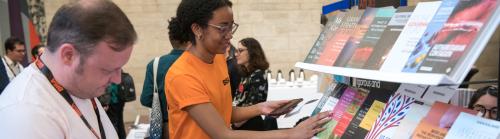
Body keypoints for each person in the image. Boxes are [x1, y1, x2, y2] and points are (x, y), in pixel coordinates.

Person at [164, 0, 330, 139]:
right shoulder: (182, 75)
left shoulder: (219, 59)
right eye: (222, 28)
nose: (230, 35)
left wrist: (261, 108)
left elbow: (224, 113)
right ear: (197, 29)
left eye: (231, 27)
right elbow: (223, 134)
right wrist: (290, 134)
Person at [0, 0, 137, 138]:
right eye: (107, 70)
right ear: (68, 55)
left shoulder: (78, 86)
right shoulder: (27, 115)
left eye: (120, 68)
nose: (118, 80)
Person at [140, 17, 190, 139]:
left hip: (167, 128)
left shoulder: (155, 64)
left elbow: (145, 99)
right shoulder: (198, 63)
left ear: (170, 39)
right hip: (195, 126)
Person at [232, 37, 276, 131]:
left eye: (240, 50)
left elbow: (252, 106)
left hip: (249, 125)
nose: (236, 54)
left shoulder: (258, 75)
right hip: (240, 122)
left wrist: (235, 125)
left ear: (252, 52)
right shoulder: (246, 74)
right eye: (236, 50)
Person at [100, 70, 136, 139]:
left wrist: (105, 103)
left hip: (112, 102)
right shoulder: (118, 70)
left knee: (113, 123)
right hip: (120, 100)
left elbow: (109, 89)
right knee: (119, 122)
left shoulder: (109, 71)